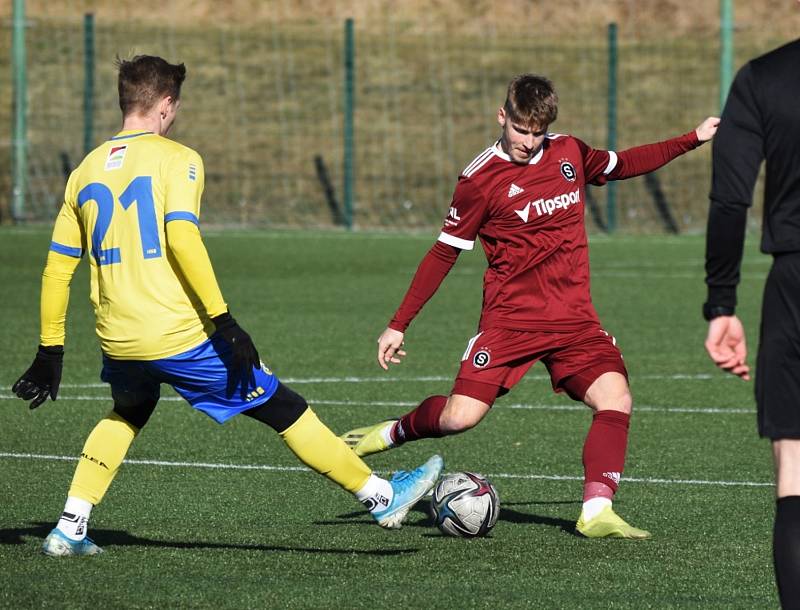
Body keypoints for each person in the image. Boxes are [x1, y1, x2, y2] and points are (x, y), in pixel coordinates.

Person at [10, 55, 442, 557]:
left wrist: (50, 350)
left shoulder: (82, 172)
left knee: (129, 410)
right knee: (283, 406)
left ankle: (70, 527)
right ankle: (382, 497)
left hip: (118, 338)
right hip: (177, 334)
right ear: (166, 105)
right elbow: (182, 238)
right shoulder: (179, 158)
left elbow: (57, 269)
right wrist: (224, 320)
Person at [342, 73, 718, 539]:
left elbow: (623, 163)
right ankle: (392, 433)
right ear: (503, 117)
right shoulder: (478, 181)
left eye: (537, 132)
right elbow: (443, 253)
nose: (528, 141)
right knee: (460, 417)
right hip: (511, 321)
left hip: (574, 319)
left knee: (615, 398)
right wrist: (398, 324)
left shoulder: (569, 153)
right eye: (521, 129)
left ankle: (596, 510)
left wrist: (692, 139)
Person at [702, 31, 800, 609]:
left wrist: (722, 303)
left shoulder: (763, 78)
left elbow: (730, 201)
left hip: (793, 286)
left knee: (794, 466)